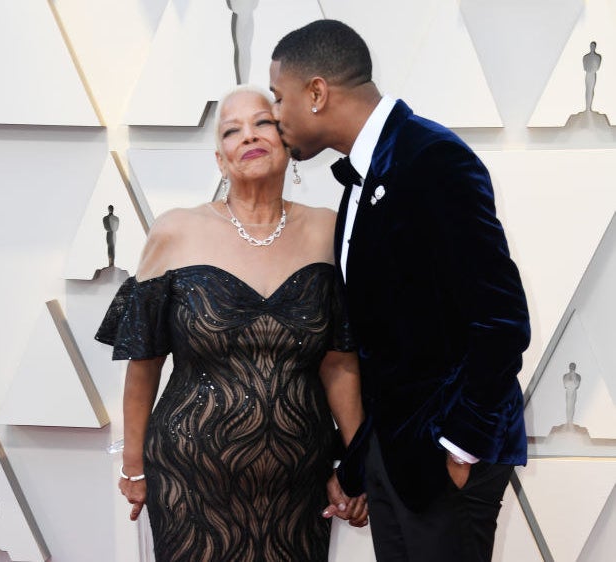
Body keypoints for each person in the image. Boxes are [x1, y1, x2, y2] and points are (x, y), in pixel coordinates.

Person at [270, 20, 531, 562]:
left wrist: (461, 448)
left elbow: (502, 320)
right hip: (399, 460)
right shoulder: (367, 177)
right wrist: (363, 462)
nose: (276, 116)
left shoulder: (431, 159)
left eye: (279, 97)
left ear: (317, 93)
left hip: (445, 461)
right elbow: (388, 347)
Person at [96, 85, 366, 562]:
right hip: (189, 478)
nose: (249, 136)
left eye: (263, 122)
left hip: (298, 481)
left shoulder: (330, 228)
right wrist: (134, 466)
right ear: (220, 160)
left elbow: (339, 362)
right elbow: (144, 363)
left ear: (288, 145)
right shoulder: (175, 231)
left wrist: (359, 464)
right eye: (231, 131)